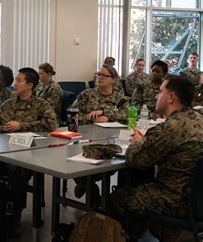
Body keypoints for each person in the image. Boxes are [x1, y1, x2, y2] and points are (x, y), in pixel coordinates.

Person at [110, 76, 203, 240]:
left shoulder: (170, 128)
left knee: (118, 199)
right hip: (198, 197)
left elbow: (136, 159)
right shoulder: (199, 120)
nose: (155, 96)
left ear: (171, 97)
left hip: (176, 200)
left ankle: (125, 236)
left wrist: (138, 143)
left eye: (160, 92)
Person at [0, 68, 58, 237]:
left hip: (28, 150)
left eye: (19, 80)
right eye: (15, 80)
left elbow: (51, 124)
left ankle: (14, 215)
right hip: (1, 147)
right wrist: (4, 128)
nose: (15, 84)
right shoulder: (7, 104)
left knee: (17, 170)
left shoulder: (41, 105)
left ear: (30, 85)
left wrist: (22, 126)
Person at [71, 64, 129, 200]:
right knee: (76, 162)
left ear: (113, 79)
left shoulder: (120, 98)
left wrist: (107, 115)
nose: (100, 77)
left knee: (110, 164)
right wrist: (92, 119)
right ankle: (89, 188)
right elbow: (73, 114)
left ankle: (85, 184)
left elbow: (127, 114)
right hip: (85, 138)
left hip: (109, 140)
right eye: (98, 74)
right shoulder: (86, 94)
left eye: (104, 75)